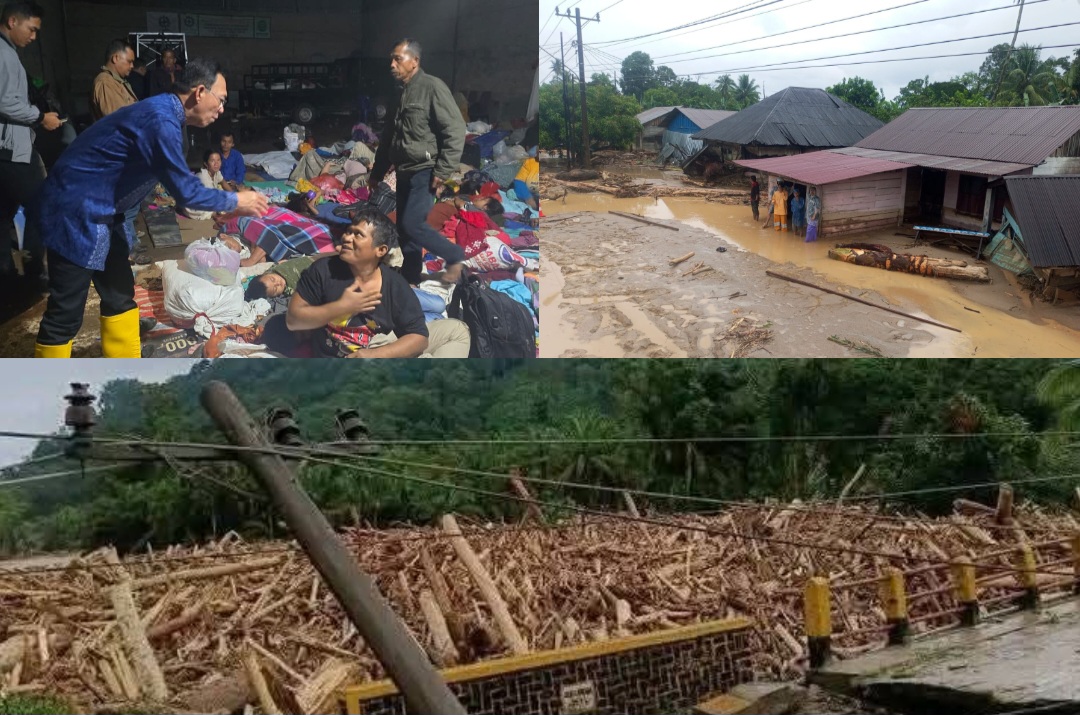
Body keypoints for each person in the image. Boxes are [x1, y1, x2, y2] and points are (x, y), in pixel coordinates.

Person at [33, 57, 269, 358]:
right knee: (66, 312)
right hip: (76, 211)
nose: (222, 109)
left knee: (120, 295)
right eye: (220, 100)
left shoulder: (169, 116)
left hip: (107, 213)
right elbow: (185, 191)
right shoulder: (160, 119)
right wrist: (236, 200)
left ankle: (125, 367)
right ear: (199, 92)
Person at [281, 208, 471, 358]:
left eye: (357, 235)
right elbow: (293, 321)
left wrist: (374, 355)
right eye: (348, 232)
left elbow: (419, 338)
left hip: (377, 348)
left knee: (458, 330)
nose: (346, 238)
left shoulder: (394, 285)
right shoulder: (323, 270)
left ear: (380, 250)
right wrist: (341, 306)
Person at [369, 38, 467, 285]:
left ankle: (454, 255)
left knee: (413, 223)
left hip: (426, 169)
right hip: (403, 170)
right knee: (404, 229)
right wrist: (377, 172)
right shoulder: (399, 93)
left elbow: (455, 128)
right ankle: (410, 276)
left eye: (397, 59)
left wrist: (443, 170)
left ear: (414, 61)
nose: (392, 64)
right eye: (391, 59)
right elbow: (389, 137)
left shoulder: (432, 87)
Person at [0, 1, 60, 292]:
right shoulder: (4, 54)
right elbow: (4, 102)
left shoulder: (8, 52)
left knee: (3, 215)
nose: (34, 36)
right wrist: (40, 117)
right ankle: (36, 273)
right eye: (32, 29)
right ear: (13, 21)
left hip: (6, 149)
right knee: (43, 207)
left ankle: (7, 276)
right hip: (12, 152)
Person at [90, 39, 137, 121]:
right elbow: (118, 120)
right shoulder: (106, 82)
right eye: (129, 61)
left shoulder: (116, 81)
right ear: (115, 58)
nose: (132, 66)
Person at [244, 254, 318, 301]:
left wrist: (285, 261)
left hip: (310, 259)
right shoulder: (289, 289)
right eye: (275, 289)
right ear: (275, 296)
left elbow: (279, 262)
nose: (277, 283)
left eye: (272, 279)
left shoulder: (272, 270)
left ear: (266, 273)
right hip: (316, 272)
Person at [184, 149, 225, 220]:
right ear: (206, 164)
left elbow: (225, 184)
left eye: (218, 160)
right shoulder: (203, 177)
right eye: (212, 161)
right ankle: (215, 215)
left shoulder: (217, 172)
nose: (216, 163)